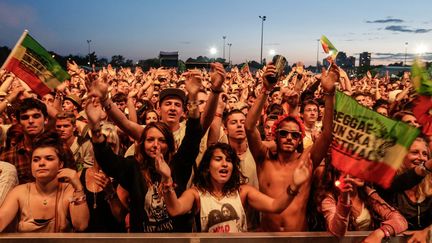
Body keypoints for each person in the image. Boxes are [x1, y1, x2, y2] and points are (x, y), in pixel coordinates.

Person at [85, 75, 203, 232]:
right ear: (142, 143)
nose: (155, 145)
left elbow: (193, 135)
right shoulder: (132, 167)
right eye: (150, 140)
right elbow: (107, 159)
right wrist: (94, 126)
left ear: (170, 145)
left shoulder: (178, 164)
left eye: (162, 140)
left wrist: (193, 98)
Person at [244, 62, 340, 231]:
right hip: (267, 237)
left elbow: (326, 134)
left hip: (298, 237)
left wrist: (329, 94)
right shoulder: (263, 158)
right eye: (283, 133)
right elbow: (249, 127)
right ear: (275, 135)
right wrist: (265, 90)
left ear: (300, 139)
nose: (289, 137)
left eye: (295, 135)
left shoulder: (306, 161)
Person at [155, 143, 311, 232]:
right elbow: (175, 209)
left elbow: (276, 206)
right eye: (218, 159)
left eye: (228, 160)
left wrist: (294, 185)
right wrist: (167, 178)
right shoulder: (196, 193)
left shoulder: (243, 192)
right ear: (208, 166)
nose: (224, 163)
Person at [0, 132, 89, 232]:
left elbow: (81, 226)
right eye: (36, 160)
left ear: (60, 164)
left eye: (49, 158)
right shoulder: (20, 191)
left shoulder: (69, 190)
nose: (41, 163)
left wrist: (78, 187)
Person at [316, 162, 407, 241]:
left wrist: (381, 232)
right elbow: (337, 232)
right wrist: (344, 199)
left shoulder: (366, 193)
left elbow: (400, 220)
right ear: (339, 170)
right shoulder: (329, 198)